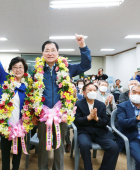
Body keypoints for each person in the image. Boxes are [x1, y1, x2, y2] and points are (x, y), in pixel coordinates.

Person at [32, 34, 92, 170]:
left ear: (58, 53)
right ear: (42, 53)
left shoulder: (68, 68)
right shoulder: (37, 71)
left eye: (53, 50)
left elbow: (86, 65)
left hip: (61, 114)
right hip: (43, 115)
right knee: (42, 146)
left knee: (59, 145)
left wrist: (82, 46)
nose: (50, 53)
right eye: (47, 50)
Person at [0, 32, 32, 170]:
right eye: (15, 67)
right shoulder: (5, 79)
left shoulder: (27, 86)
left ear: (24, 70)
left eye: (20, 67)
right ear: (11, 69)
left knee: (17, 152)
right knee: (5, 153)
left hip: (19, 124)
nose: (17, 69)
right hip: (5, 123)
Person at [74, 83, 119, 170]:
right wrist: (88, 118)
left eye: (94, 90)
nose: (93, 92)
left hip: (100, 132)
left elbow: (105, 121)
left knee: (114, 147)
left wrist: (97, 119)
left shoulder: (101, 104)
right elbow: (76, 120)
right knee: (84, 145)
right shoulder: (78, 104)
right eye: (90, 90)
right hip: (84, 131)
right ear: (84, 92)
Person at [117, 85, 140, 170]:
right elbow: (122, 123)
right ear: (129, 93)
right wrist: (138, 118)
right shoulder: (122, 106)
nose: (137, 94)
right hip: (134, 139)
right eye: (134, 92)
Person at [65, 82, 83, 153]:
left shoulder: (79, 97)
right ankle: (68, 142)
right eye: (70, 87)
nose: (72, 88)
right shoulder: (65, 96)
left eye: (73, 87)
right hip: (67, 117)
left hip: (77, 116)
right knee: (66, 125)